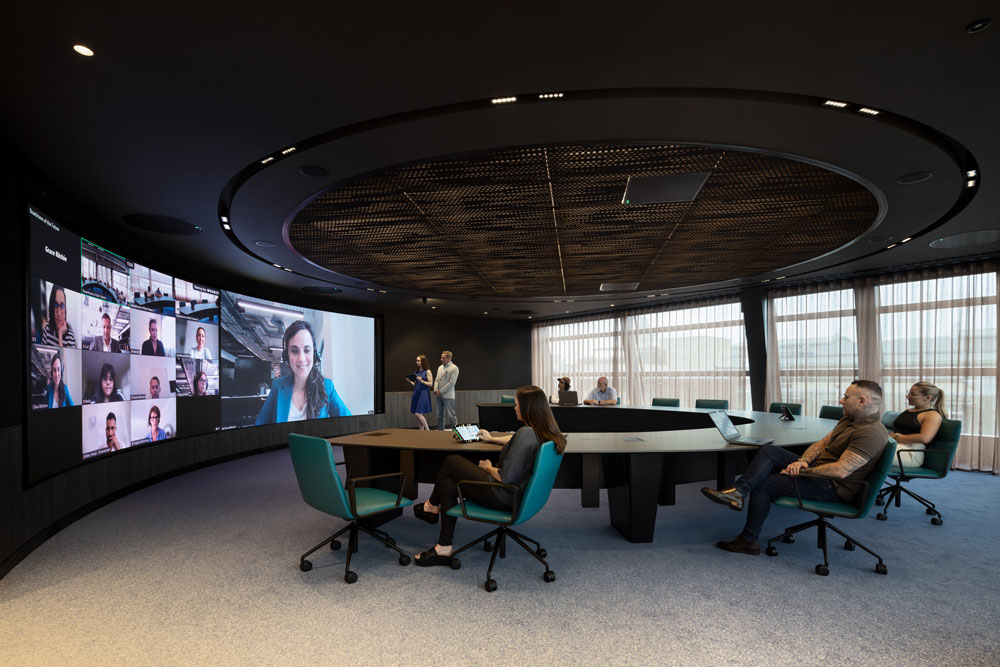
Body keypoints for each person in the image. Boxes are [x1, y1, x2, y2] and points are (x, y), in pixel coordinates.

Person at [701, 380, 888, 555]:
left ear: (862, 401)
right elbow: (821, 444)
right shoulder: (849, 420)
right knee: (768, 450)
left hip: (832, 486)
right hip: (819, 471)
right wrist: (802, 461)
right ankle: (738, 492)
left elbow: (840, 471)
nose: (841, 400)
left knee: (763, 484)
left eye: (847, 397)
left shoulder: (870, 433)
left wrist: (801, 471)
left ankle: (748, 541)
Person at [412, 385, 566, 566]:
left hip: (501, 494)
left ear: (528, 408)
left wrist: (488, 467)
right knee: (447, 484)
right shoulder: (544, 433)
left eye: (517, 405)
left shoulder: (526, 434)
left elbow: (505, 477)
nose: (514, 408)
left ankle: (431, 506)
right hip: (517, 496)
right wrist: (492, 438)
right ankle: (443, 547)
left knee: (452, 461)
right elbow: (514, 438)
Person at [254, 320, 349, 424]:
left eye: (307, 350)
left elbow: (349, 423)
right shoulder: (277, 386)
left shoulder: (327, 387)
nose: (301, 359)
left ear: (314, 354)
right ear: (286, 356)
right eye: (294, 351)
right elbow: (259, 426)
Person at [888, 382, 947, 468]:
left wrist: (897, 437)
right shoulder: (908, 411)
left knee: (870, 450)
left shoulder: (932, 415)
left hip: (912, 453)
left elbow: (925, 438)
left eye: (913, 394)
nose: (907, 396)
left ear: (928, 398)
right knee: (867, 447)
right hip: (897, 446)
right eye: (909, 393)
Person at [433, 350, 460, 430]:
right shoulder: (440, 368)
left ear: (449, 358)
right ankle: (441, 431)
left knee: (451, 415)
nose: (441, 359)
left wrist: (440, 391)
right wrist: (435, 390)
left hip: (448, 396)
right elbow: (437, 379)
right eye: (441, 357)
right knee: (439, 415)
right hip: (439, 396)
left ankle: (455, 432)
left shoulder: (454, 368)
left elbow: (452, 383)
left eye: (443, 358)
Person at [408, 354, 433, 430]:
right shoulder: (416, 372)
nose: (417, 362)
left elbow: (430, 384)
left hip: (423, 393)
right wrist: (410, 381)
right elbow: (416, 384)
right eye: (416, 360)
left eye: (419, 361)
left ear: (423, 362)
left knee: (418, 413)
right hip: (416, 393)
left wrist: (421, 380)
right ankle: (421, 432)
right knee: (418, 415)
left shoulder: (427, 371)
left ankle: (427, 430)